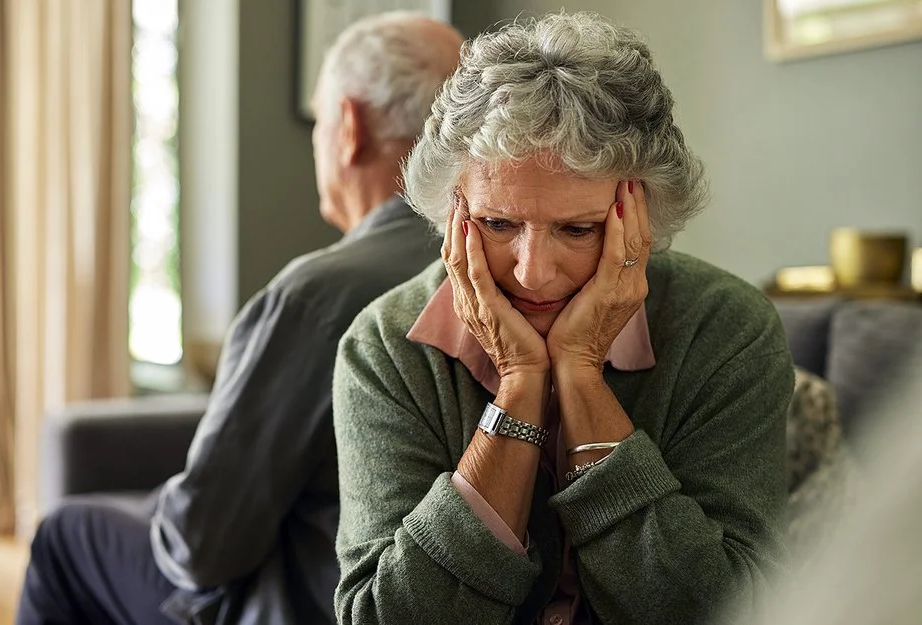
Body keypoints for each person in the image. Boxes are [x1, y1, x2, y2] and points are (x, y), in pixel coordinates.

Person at [332, 12, 793, 625]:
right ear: (452, 211)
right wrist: (521, 386)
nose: (533, 272)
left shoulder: (728, 330)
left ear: (643, 217)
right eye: (498, 224)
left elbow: (731, 609)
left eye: (578, 229)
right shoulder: (385, 346)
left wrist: (580, 378)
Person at [16, 12, 463, 625]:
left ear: (349, 128)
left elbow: (202, 544)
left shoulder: (316, 296)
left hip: (309, 603)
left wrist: (164, 509)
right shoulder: (513, 270)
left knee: (64, 537)